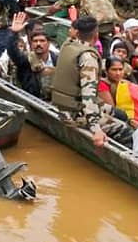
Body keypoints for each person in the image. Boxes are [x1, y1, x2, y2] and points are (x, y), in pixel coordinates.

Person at [50, 16, 125, 147]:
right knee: (125, 130)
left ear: (76, 32)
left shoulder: (68, 44)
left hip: (63, 105)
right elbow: (88, 98)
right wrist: (96, 130)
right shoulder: (88, 57)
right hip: (75, 113)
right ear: (96, 35)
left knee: (120, 114)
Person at [47, 0, 119, 57]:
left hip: (92, 26)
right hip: (110, 24)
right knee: (104, 42)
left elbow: (57, 7)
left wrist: (48, 14)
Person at [5, 12, 58, 100]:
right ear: (31, 44)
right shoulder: (25, 60)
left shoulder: (56, 59)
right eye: (35, 41)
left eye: (42, 41)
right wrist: (14, 33)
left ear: (49, 44)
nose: (38, 44)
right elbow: (13, 52)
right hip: (32, 101)